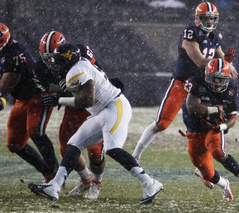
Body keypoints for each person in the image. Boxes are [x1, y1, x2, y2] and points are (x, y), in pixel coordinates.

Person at [28, 44, 163, 204]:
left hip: (114, 106)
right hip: (102, 111)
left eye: (57, 61)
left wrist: (59, 99)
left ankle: (150, 183)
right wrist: (63, 93)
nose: (54, 65)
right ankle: (54, 186)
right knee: (74, 144)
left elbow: (87, 99)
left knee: (112, 149)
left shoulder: (75, 71)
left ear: (67, 60)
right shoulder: (78, 65)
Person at [132, 2, 237, 162]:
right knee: (162, 123)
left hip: (203, 86)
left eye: (212, 19)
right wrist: (224, 64)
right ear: (197, 18)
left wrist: (228, 64)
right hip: (182, 82)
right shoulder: (190, 33)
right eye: (205, 18)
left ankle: (204, 166)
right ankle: (136, 155)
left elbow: (222, 58)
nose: (209, 22)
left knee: (210, 125)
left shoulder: (215, 36)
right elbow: (200, 61)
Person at [34, 31, 108, 199]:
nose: (51, 63)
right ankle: (86, 180)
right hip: (73, 105)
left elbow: (98, 76)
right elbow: (47, 88)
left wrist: (65, 89)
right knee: (66, 147)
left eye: (54, 57)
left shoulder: (81, 52)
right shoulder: (40, 67)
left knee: (95, 152)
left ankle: (96, 184)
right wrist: (60, 91)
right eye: (47, 58)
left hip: (92, 106)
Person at [182, 58, 239, 200]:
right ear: (206, 76)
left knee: (218, 152)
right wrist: (213, 110)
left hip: (213, 127)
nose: (217, 83)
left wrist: (222, 126)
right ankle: (224, 185)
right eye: (214, 79)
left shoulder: (230, 90)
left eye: (221, 79)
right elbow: (192, 108)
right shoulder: (197, 83)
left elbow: (232, 118)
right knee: (206, 171)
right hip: (195, 129)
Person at [0, 23, 59, 182]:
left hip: (38, 96)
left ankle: (56, 176)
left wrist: (2, 96)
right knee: (14, 145)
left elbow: (6, 85)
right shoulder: (6, 52)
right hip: (21, 99)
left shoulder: (15, 54)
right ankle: (47, 172)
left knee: (36, 132)